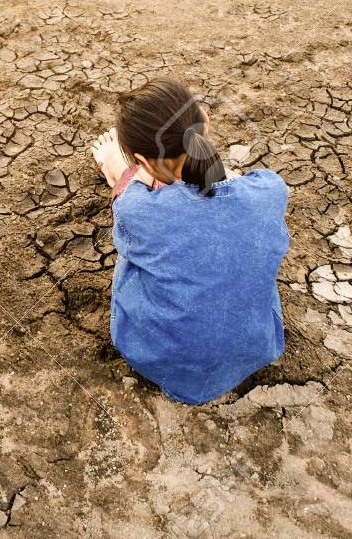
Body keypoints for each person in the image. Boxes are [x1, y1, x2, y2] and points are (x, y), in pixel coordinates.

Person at [91, 78, 288, 404]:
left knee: (135, 245)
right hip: (257, 346)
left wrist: (124, 170)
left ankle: (120, 167)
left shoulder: (135, 209)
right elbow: (226, 184)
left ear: (144, 162)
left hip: (162, 360)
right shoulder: (270, 190)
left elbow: (134, 198)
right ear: (205, 121)